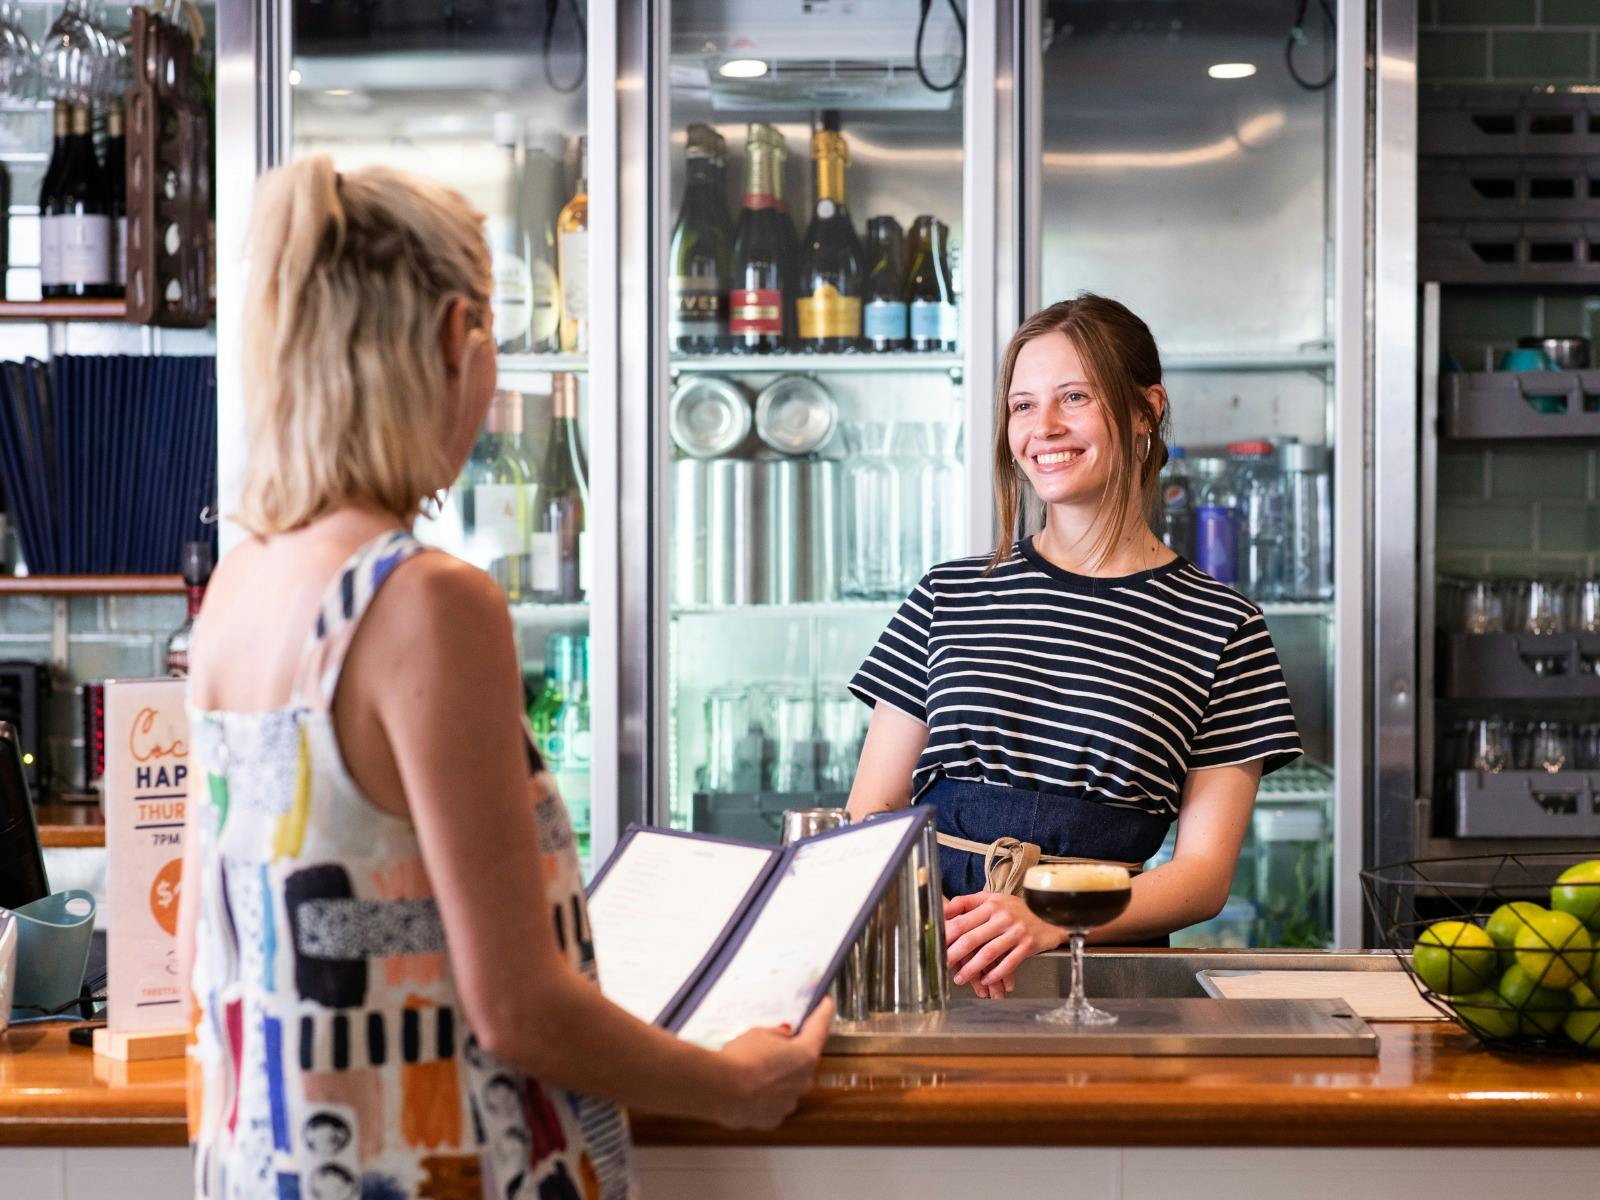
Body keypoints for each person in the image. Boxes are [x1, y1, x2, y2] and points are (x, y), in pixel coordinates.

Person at [176, 157, 831, 1200]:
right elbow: (517, 1009)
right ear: (456, 337)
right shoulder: (426, 601)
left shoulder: (242, 583)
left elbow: (212, 948)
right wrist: (733, 1086)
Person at [845, 295, 1302, 998]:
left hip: (1106, 976)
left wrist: (1047, 916)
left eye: (1075, 397)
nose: (1044, 428)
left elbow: (1203, 878)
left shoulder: (1223, 625)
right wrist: (918, 929)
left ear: (1146, 410)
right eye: (1022, 405)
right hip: (939, 953)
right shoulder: (948, 594)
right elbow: (871, 811)